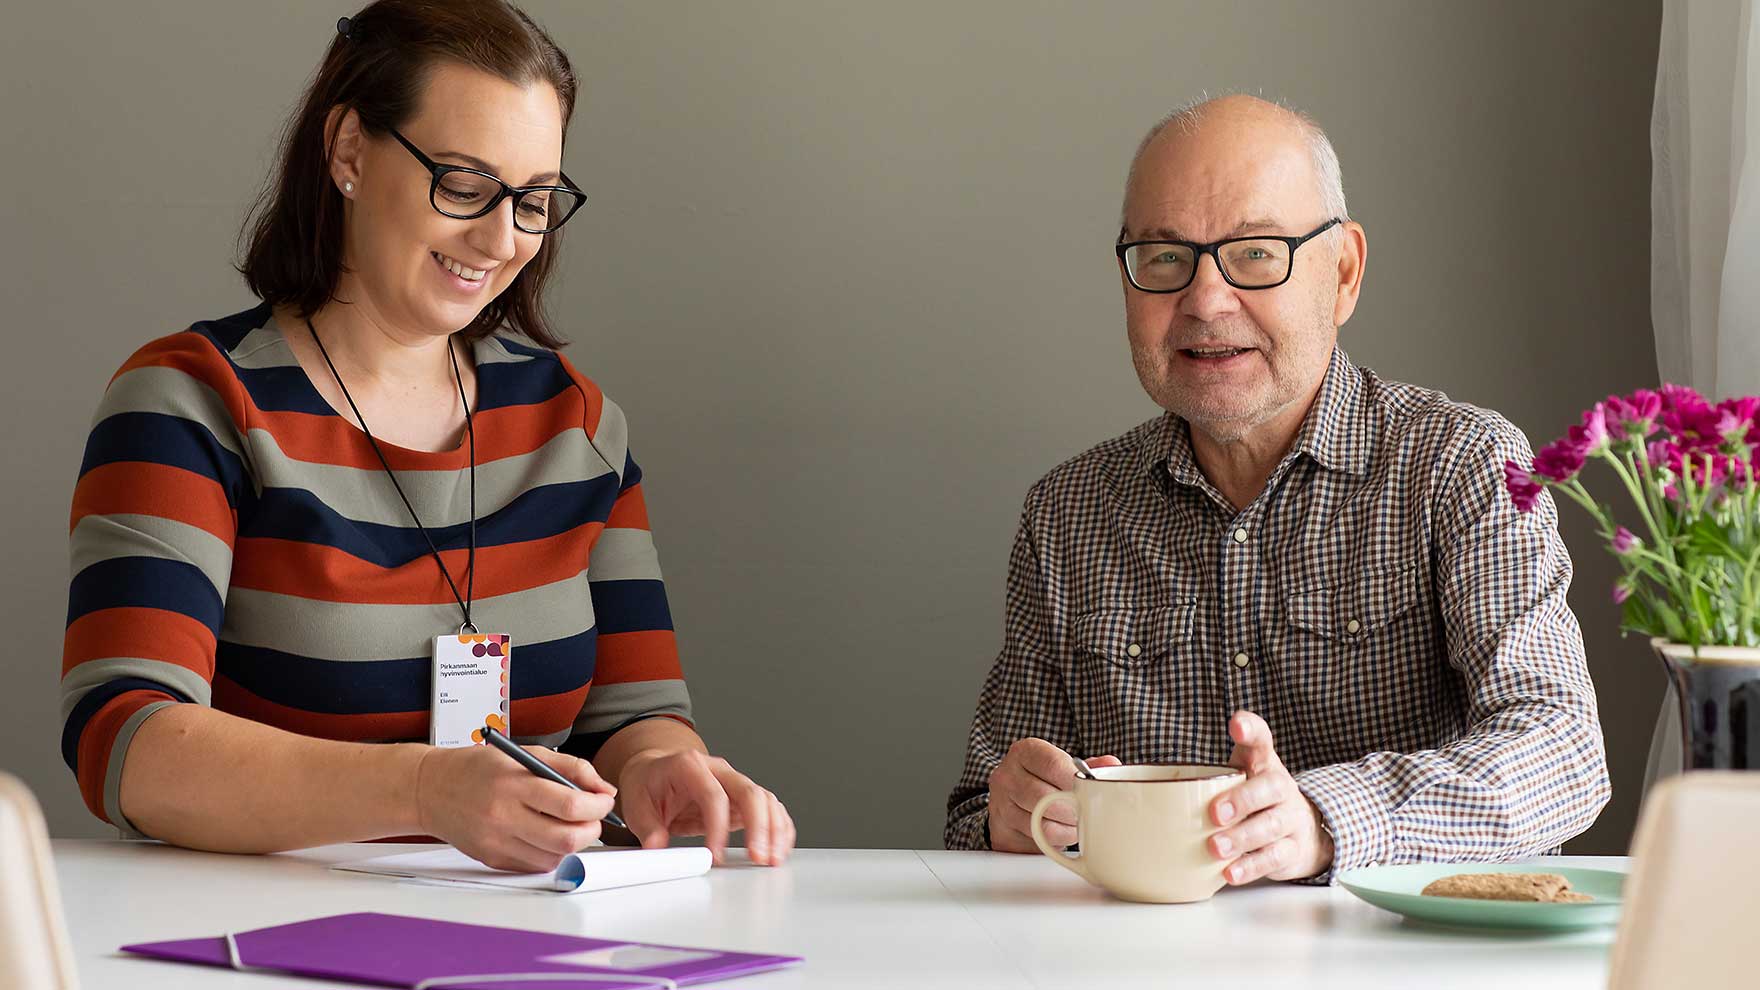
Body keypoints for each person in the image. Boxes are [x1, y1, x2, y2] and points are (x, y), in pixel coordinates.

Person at [60, 0, 793, 873]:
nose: (500, 238)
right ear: (349, 153)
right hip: (253, 936)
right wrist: (421, 791)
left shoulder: (577, 423)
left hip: (518, 929)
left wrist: (662, 767)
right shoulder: (192, 401)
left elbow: (632, 714)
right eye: (465, 184)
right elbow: (127, 741)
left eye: (533, 200)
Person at [944, 95, 1609, 883]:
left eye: (1256, 253)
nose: (1204, 300)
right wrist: (1010, 816)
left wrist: (1325, 822)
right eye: (1164, 258)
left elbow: (1560, 750)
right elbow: (972, 819)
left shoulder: (1461, 463)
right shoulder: (1066, 512)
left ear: (1344, 274)